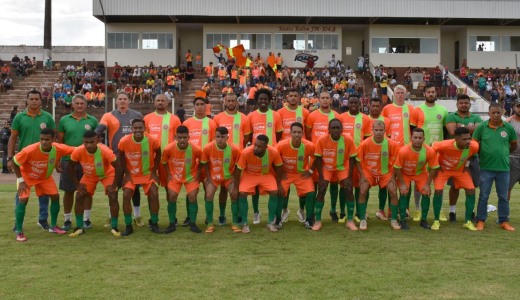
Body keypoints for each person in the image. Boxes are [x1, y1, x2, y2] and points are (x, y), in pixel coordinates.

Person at [12, 128, 75, 242]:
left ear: (53, 139)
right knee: (23, 199)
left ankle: (54, 226)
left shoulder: (58, 148)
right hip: (26, 176)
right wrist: (21, 180)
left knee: (55, 196)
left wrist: (96, 147)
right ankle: (19, 231)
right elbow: (15, 162)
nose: (44, 142)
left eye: (47, 139)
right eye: (42, 139)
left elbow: (75, 150)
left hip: (44, 177)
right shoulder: (30, 150)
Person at [8, 89, 55, 231]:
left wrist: (56, 160)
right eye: (31, 99)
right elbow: (13, 138)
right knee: (21, 192)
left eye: (36, 99)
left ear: (41, 101)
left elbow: (54, 139)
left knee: (44, 192)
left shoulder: (47, 117)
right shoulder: (19, 117)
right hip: (25, 161)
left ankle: (43, 219)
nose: (34, 101)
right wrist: (10, 158)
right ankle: (18, 222)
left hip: (43, 160)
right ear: (27, 100)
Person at [95, 92, 144, 227]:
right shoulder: (109, 115)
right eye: (120, 99)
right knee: (113, 186)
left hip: (134, 157)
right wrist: (94, 136)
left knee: (135, 187)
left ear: (129, 101)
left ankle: (137, 216)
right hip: (115, 157)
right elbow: (101, 127)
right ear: (116, 102)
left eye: (125, 99)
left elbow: (144, 133)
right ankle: (111, 216)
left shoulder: (137, 115)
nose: (122, 101)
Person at [67, 131, 121, 237]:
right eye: (86, 142)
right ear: (83, 142)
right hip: (89, 176)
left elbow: (118, 167)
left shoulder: (105, 150)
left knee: (113, 195)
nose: (89, 145)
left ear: (97, 141)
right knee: (79, 195)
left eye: (92, 142)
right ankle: (79, 227)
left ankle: (114, 227)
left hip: (107, 174)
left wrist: (114, 185)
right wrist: (77, 185)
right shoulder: (78, 151)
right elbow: (70, 167)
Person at [57, 94, 99, 231]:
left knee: (86, 191)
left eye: (82, 103)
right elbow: (60, 142)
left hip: (87, 161)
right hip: (69, 161)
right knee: (69, 191)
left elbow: (97, 142)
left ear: (86, 105)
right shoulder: (64, 120)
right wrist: (58, 160)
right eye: (77, 103)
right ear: (72, 105)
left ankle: (86, 219)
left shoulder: (92, 120)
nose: (80, 106)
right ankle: (67, 220)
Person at [473, 104, 517, 231]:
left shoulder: (508, 128)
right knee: (483, 195)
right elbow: (475, 144)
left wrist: (503, 153)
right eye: (494, 112)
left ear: (502, 112)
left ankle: (504, 221)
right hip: (486, 168)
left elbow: (513, 145)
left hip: (503, 168)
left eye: (498, 112)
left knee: (503, 196)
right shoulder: (481, 127)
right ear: (489, 113)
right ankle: (481, 220)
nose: (496, 115)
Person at [117, 119, 162, 236]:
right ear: (132, 129)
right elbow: (121, 156)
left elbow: (159, 153)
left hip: (147, 174)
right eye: (135, 128)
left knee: (154, 193)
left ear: (144, 128)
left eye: (140, 128)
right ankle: (128, 226)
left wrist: (153, 172)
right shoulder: (124, 141)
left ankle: (154, 223)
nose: (138, 130)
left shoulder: (152, 140)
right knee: (126, 194)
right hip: (132, 174)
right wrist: (126, 173)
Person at [411, 83, 448, 222]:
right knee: (418, 181)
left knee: (439, 182)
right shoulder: (417, 110)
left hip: (438, 152)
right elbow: (413, 131)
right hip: (421, 151)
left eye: (433, 92)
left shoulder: (443, 110)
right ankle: (417, 210)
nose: (431, 94)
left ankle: (440, 210)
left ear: (436, 93)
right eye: (428, 92)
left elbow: (445, 131)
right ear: (424, 94)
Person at [431, 127, 479, 231]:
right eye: (464, 139)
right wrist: (435, 165)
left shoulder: (474, 146)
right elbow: (432, 149)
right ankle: (436, 221)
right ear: (456, 139)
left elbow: (471, 156)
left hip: (460, 171)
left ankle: (467, 221)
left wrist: (466, 165)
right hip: (444, 170)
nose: (468, 141)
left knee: (471, 190)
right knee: (438, 190)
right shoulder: (444, 145)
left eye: (469, 138)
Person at [234, 134, 284, 233]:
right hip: (249, 174)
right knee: (242, 193)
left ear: (266, 147)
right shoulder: (246, 152)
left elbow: (279, 167)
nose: (256, 148)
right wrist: (236, 187)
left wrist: (279, 184)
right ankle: (245, 224)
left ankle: (270, 222)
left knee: (275, 192)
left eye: (260, 146)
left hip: (265, 174)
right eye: (255, 145)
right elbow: (238, 170)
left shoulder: (273, 152)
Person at [247, 88, 283, 224]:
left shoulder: (276, 115)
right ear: (257, 100)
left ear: (269, 101)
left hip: (272, 156)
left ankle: (274, 215)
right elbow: (249, 135)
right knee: (255, 185)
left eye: (265, 99)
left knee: (275, 186)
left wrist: (272, 146)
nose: (263, 101)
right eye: (261, 99)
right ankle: (256, 212)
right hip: (256, 155)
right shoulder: (251, 116)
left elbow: (278, 134)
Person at [356, 120, 401, 230]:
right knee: (362, 190)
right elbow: (357, 160)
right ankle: (362, 219)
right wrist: (362, 175)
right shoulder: (365, 144)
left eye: (381, 130)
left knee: (393, 191)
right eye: (376, 130)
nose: (379, 132)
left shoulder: (392, 144)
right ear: (372, 131)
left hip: (385, 173)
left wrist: (392, 177)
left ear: (385, 131)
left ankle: (394, 220)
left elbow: (396, 162)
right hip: (369, 172)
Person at [314, 119, 357, 231]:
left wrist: (349, 176)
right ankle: (318, 220)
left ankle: (350, 220)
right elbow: (318, 157)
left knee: (348, 189)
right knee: (322, 189)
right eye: (333, 128)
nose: (336, 130)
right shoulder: (322, 139)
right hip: (326, 168)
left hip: (341, 167)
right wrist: (321, 177)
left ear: (342, 129)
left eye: (338, 128)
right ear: (329, 129)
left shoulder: (348, 140)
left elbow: (352, 158)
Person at [445, 94, 482, 223]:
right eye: (461, 103)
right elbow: (452, 132)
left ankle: (470, 212)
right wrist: (469, 129)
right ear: (457, 104)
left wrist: (460, 128)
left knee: (471, 186)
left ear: (469, 104)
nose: (464, 105)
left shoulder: (476, 117)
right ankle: (452, 212)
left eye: (466, 103)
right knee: (454, 186)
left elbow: (478, 131)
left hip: (472, 157)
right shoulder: (451, 116)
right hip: (454, 158)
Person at [394, 128, 439, 230]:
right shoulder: (403, 151)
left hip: (420, 173)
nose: (417, 140)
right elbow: (397, 168)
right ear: (411, 138)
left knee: (426, 192)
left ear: (424, 139)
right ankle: (402, 220)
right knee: (404, 191)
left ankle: (423, 220)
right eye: (415, 137)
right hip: (405, 174)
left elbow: (434, 168)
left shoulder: (430, 151)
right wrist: (402, 183)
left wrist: (428, 184)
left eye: (420, 138)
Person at [161, 125, 203, 234]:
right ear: (176, 137)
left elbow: (202, 161)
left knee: (192, 197)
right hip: (175, 176)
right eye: (180, 138)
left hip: (190, 176)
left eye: (185, 137)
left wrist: (198, 174)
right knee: (172, 196)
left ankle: (193, 224)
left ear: (189, 137)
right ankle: (171, 224)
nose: (182, 140)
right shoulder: (168, 148)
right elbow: (164, 162)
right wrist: (169, 174)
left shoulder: (196, 149)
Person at [201, 127, 241, 232]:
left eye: (222, 137)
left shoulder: (235, 149)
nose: (220, 139)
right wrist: (208, 178)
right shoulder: (208, 148)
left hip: (228, 177)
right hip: (213, 177)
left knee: (234, 194)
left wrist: (234, 179)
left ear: (227, 137)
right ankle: (210, 223)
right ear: (215, 137)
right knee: (209, 195)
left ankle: (235, 223)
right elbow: (204, 162)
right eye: (218, 137)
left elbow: (238, 165)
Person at [276, 122, 316, 227]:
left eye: (299, 132)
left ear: (302, 133)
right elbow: (274, 159)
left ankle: (309, 219)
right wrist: (279, 173)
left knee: (311, 193)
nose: (297, 134)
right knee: (279, 192)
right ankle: (278, 219)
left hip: (301, 174)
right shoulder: (281, 145)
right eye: (294, 132)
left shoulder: (309, 145)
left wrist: (310, 171)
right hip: (286, 174)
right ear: (290, 133)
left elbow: (318, 157)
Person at [340, 96, 371, 222]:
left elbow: (367, 139)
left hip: (359, 158)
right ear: (348, 104)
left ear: (360, 103)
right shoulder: (341, 117)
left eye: (355, 102)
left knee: (361, 186)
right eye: (351, 102)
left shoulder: (365, 119)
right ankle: (343, 213)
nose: (353, 104)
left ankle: (359, 212)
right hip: (345, 159)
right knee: (344, 186)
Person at [144, 93, 181, 195]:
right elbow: (144, 139)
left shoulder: (174, 119)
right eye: (158, 100)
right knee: (152, 190)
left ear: (167, 103)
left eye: (163, 100)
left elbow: (179, 138)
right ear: (154, 102)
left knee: (170, 189)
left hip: (168, 159)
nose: (160, 102)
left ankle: (171, 210)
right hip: (152, 159)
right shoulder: (147, 118)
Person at [367, 97, 392, 219]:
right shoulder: (364, 119)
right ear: (369, 106)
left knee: (383, 185)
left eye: (378, 106)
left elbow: (389, 138)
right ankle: (363, 211)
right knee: (364, 185)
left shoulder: (386, 121)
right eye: (373, 106)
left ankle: (381, 210)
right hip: (369, 158)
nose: (375, 108)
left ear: (381, 107)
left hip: (383, 157)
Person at [508, 99, 520, 201]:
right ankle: (504, 214)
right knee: (507, 188)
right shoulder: (508, 122)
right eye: (518, 106)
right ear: (514, 107)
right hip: (512, 158)